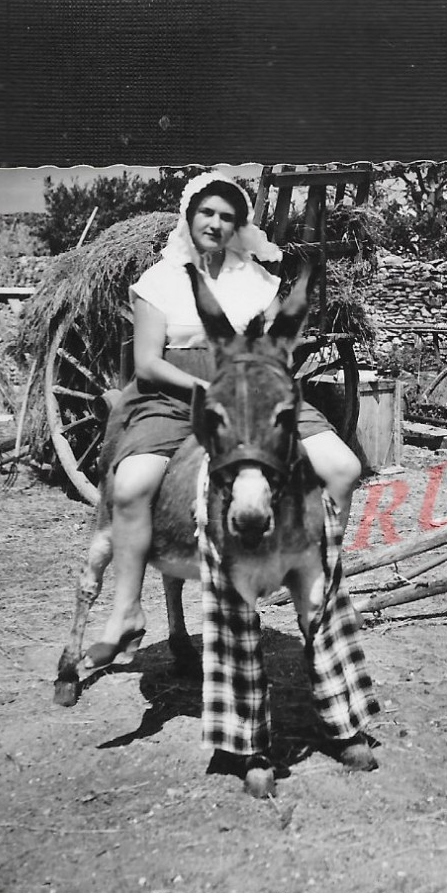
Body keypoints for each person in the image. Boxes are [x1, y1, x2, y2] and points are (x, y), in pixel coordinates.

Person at [82, 171, 363, 672]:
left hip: (254, 397)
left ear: (239, 226)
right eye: (206, 213)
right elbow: (147, 363)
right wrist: (211, 391)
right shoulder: (158, 282)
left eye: (227, 216)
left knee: (342, 465)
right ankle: (126, 607)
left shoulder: (258, 280)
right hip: (175, 394)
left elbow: (282, 345)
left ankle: (317, 571)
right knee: (131, 485)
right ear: (188, 218)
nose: (216, 223)